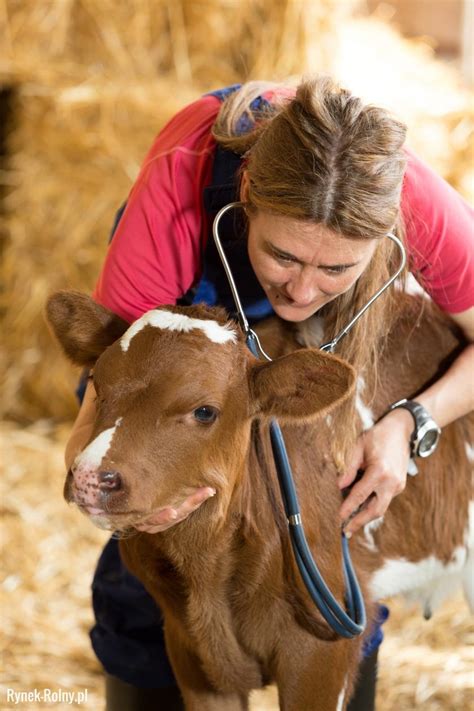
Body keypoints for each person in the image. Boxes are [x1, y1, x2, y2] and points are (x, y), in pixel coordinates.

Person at [65, 78, 474, 710]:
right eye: (285, 255)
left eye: (337, 268)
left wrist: (410, 421)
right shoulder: (182, 183)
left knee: (328, 550)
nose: (304, 291)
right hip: (196, 300)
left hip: (319, 343)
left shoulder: (417, 201)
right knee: (147, 562)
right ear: (248, 199)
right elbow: (115, 387)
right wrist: (103, 482)